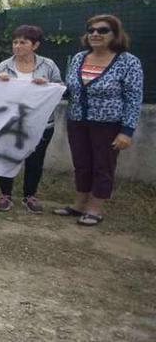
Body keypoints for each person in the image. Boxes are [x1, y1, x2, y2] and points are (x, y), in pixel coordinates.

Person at [54, 14, 143, 226]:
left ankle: (95, 209)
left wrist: (127, 131)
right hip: (77, 121)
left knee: (103, 166)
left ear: (115, 34)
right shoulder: (78, 58)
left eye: (102, 30)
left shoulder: (128, 62)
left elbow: (133, 98)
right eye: (91, 30)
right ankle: (79, 204)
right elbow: (70, 89)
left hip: (109, 124)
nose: (95, 34)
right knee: (82, 164)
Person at [0, 26, 63, 213]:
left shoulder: (48, 65)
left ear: (35, 45)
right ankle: (5, 195)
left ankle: (29, 196)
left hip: (41, 123)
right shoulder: (3, 66)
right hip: (10, 122)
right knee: (7, 157)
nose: (17, 46)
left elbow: (60, 88)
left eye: (23, 42)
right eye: (15, 42)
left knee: (35, 160)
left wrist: (47, 85)